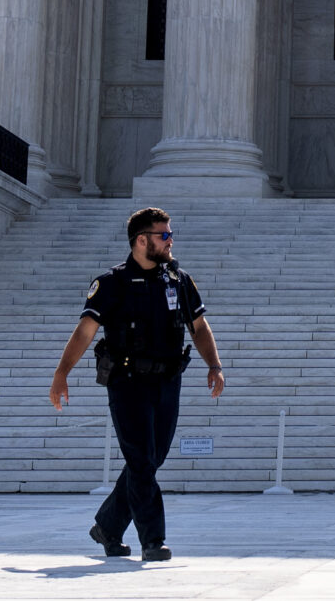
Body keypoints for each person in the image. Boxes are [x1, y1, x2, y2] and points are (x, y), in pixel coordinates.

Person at [50, 206, 225, 564]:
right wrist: (61, 373)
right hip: (127, 382)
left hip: (168, 381)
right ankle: (152, 540)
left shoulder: (178, 280)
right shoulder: (111, 283)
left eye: (170, 233)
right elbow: (85, 331)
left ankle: (108, 527)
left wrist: (214, 365)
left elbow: (200, 326)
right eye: (164, 235)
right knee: (142, 461)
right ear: (141, 240)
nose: (170, 240)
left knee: (149, 460)